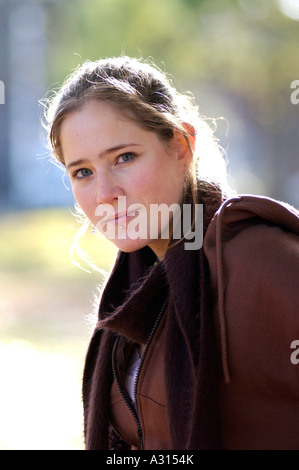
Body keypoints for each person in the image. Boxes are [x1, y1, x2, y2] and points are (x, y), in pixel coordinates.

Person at [44, 55, 299, 450]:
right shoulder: (139, 287)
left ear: (180, 145)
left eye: (124, 158)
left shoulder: (256, 257)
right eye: (83, 172)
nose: (104, 193)